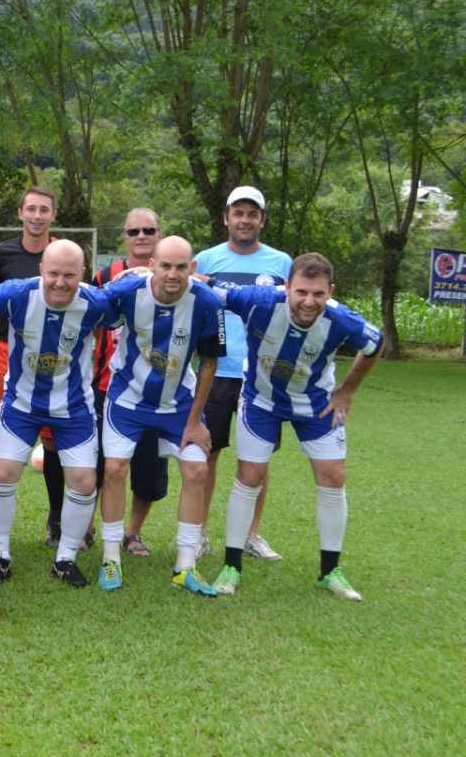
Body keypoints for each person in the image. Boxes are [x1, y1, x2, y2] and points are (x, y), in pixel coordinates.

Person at [200, 254, 382, 599]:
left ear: (330, 290)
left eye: (317, 293)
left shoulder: (342, 320)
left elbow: (375, 344)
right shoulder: (258, 302)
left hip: (315, 404)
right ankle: (231, 566)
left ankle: (330, 571)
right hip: (262, 400)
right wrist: (152, 271)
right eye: (301, 292)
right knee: (249, 475)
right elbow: (206, 284)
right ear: (287, 287)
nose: (308, 301)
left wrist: (346, 391)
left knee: (334, 476)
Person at [99, 236, 226, 596]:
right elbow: (93, 308)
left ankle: (186, 565)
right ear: (151, 263)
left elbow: (209, 363)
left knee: (198, 469)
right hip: (127, 399)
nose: (172, 274)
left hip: (179, 405)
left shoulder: (206, 302)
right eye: (166, 265)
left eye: (181, 267)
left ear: (193, 269)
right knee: (113, 470)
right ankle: (111, 557)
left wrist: (194, 421)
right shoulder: (128, 292)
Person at [0, 240, 117, 586]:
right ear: (41, 270)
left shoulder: (96, 302)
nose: (60, 282)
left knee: (85, 482)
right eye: (53, 273)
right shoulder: (16, 294)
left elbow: (132, 302)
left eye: (69, 275)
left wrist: (142, 274)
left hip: (72, 407)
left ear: (82, 275)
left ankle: (66, 558)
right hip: (21, 404)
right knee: (2, 472)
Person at [195, 186, 292, 560]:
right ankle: (200, 533)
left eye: (253, 214)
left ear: (262, 220)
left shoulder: (282, 263)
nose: (245, 220)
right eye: (238, 213)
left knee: (258, 458)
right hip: (217, 369)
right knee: (207, 454)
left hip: (263, 375)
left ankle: (252, 535)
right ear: (226, 218)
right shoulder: (205, 260)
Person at [0, 186, 68, 549]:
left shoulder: (64, 254)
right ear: (20, 213)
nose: (36, 215)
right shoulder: (2, 253)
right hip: (8, 353)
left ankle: (57, 520)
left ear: (52, 215)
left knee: (53, 441)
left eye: (43, 210)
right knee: (0, 436)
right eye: (30, 209)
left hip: (53, 358)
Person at [89, 208, 172, 558]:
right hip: (108, 384)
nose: (141, 236)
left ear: (159, 233)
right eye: (133, 230)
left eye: (148, 230)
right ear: (124, 236)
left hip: (156, 390)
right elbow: (91, 322)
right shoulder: (105, 275)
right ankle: (87, 526)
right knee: (97, 464)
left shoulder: (175, 274)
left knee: (148, 470)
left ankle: (133, 532)